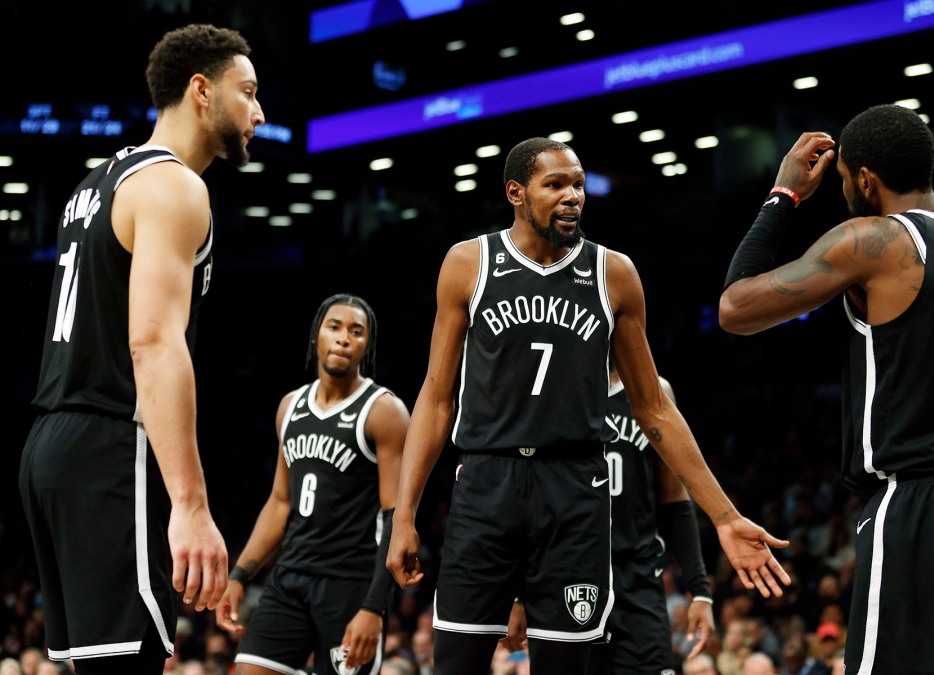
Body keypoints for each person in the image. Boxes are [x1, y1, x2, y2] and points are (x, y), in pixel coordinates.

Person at [386, 136, 791, 674]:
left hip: (574, 491)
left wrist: (724, 516)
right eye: (555, 185)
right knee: (456, 664)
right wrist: (405, 514)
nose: (573, 195)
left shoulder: (614, 273)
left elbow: (655, 409)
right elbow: (436, 398)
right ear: (516, 193)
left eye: (577, 184)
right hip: (487, 484)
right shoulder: (468, 263)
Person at [719, 103, 934, 674]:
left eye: (842, 182)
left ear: (865, 180)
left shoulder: (876, 242)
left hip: (921, 507)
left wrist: (783, 196)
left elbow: (736, 308)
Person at [17, 23, 264, 675]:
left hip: (51, 443)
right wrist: (191, 504)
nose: (259, 113)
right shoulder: (175, 187)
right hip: (108, 445)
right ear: (201, 90)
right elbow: (152, 343)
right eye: (248, 92)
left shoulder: (94, 184)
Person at [215, 294, 411, 675]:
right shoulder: (290, 407)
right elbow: (279, 503)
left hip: (350, 586)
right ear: (315, 337)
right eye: (334, 327)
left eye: (356, 332)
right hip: (290, 578)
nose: (343, 338)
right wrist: (239, 575)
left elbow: (396, 516)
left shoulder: (384, 411)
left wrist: (374, 607)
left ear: (366, 346)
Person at [504, 362, 716, 674]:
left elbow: (674, 499)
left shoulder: (654, 391)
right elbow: (527, 501)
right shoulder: (550, 392)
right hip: (565, 579)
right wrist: (516, 594)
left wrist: (700, 590)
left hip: (638, 580)